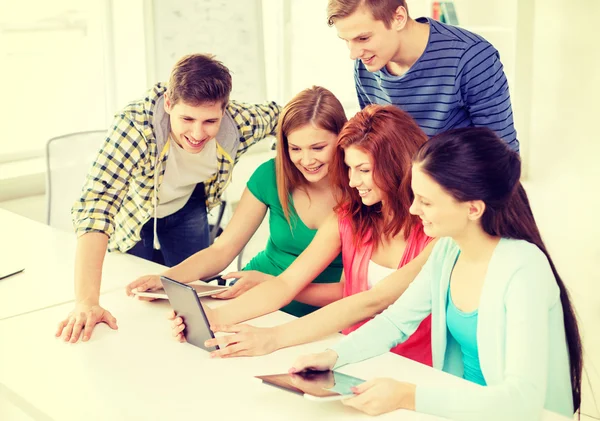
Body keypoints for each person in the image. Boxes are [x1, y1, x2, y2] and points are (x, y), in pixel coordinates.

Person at [291, 127, 582, 421]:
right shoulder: (447, 251)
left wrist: (407, 396)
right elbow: (396, 321)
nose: (415, 209)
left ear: (473, 209)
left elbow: (521, 401)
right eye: (415, 196)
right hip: (457, 409)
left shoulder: (524, 268)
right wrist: (332, 357)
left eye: (426, 201)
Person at [173, 105, 436, 366]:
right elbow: (286, 284)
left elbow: (372, 301)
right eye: (349, 169)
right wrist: (215, 318)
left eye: (364, 170)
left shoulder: (437, 232)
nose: (353, 182)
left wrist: (273, 338)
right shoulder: (349, 217)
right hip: (350, 354)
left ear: (398, 165)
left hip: (412, 365)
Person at [56, 53, 281, 343]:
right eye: (186, 118)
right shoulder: (135, 127)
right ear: (168, 103)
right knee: (136, 298)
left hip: (188, 205)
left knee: (192, 300)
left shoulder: (240, 122)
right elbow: (96, 204)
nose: (197, 133)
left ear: (225, 111)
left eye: (210, 121)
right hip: (136, 212)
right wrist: (86, 303)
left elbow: (287, 116)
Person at [126, 86, 347, 318]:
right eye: (295, 148)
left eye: (318, 148)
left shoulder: (362, 192)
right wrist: (167, 280)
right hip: (252, 293)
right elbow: (222, 250)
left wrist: (269, 283)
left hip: (319, 310)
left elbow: (349, 291)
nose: (307, 160)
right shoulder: (271, 175)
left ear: (342, 138)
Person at [327, 0, 519, 152]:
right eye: (346, 40)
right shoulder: (365, 64)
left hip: (458, 192)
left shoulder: (471, 57)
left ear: (398, 18)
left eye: (363, 38)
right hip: (400, 193)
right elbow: (374, 146)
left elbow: (502, 155)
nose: (353, 53)